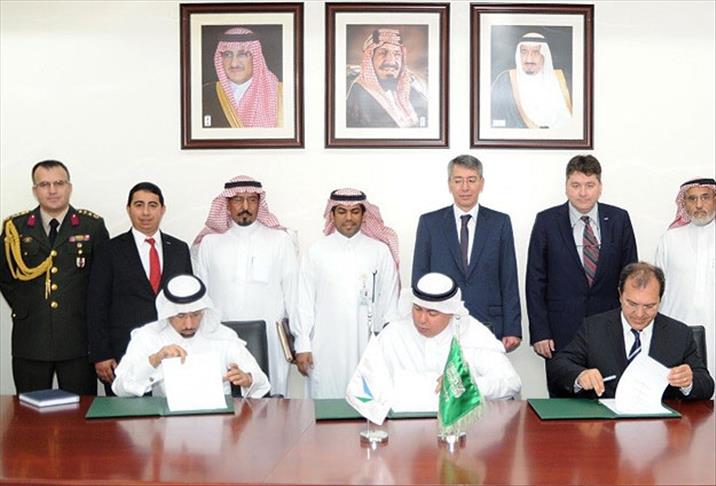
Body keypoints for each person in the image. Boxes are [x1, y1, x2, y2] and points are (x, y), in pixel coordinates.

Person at [0, 160, 109, 394]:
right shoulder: (15, 227)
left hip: (78, 339)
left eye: (59, 183)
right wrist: (27, 307)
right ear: (35, 190)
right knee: (30, 411)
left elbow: (103, 281)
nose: (52, 190)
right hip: (31, 337)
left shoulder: (92, 226)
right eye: (44, 184)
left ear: (69, 187)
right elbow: (6, 277)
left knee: (81, 411)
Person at [526, 155, 638, 376]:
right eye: (576, 185)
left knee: (609, 392)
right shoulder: (547, 221)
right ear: (566, 186)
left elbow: (631, 278)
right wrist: (540, 332)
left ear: (600, 187)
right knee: (565, 394)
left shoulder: (619, 219)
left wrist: (632, 325)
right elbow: (535, 281)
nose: (583, 193)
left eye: (590, 185)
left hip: (610, 329)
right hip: (561, 332)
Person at [547, 262, 714, 400]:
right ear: (620, 295)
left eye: (649, 306)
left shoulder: (679, 333)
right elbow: (559, 366)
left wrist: (688, 382)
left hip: (661, 424)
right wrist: (580, 375)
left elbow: (706, 384)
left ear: (660, 300)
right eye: (632, 304)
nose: (639, 314)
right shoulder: (594, 328)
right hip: (605, 423)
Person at [193, 175, 297, 396]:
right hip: (221, 335)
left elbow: (293, 293)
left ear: (260, 204)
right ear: (227, 204)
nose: (245, 206)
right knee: (225, 401)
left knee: (272, 400)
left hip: (271, 337)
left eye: (252, 200)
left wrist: (301, 340)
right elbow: (202, 297)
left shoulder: (280, 240)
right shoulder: (210, 243)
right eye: (238, 200)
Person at [353, 272, 521, 409]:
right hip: (404, 432)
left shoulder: (474, 335)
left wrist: (468, 383)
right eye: (417, 309)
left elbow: (511, 382)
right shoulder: (393, 334)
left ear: (451, 312)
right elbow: (364, 385)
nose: (422, 319)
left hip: (464, 430)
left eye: (432, 313)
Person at [87, 182, 192, 395]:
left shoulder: (179, 249)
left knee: (172, 412)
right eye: (139, 205)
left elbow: (189, 303)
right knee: (126, 414)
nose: (145, 212)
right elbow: (96, 305)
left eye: (152, 205)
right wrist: (101, 354)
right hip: (123, 352)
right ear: (128, 209)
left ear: (162, 210)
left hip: (173, 350)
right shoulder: (109, 250)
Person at [295, 188, 399, 398]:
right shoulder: (316, 251)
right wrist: (302, 344)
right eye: (342, 211)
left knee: (366, 403)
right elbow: (304, 302)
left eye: (355, 212)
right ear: (332, 215)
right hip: (325, 347)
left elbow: (389, 303)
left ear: (364, 215)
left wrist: (387, 347)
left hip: (367, 346)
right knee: (326, 403)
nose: (349, 218)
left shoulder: (380, 251)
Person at [412, 154, 522, 352]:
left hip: (488, 323)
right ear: (449, 184)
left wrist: (512, 328)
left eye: (471, 180)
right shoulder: (430, 223)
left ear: (481, 183)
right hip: (442, 323)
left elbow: (509, 278)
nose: (465, 187)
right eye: (458, 181)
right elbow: (420, 277)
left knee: (485, 373)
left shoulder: (500, 223)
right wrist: (422, 320)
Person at [112, 274, 270, 398]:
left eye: (195, 314)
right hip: (166, 423)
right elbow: (119, 388)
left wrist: (248, 379)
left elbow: (262, 383)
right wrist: (154, 360)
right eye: (180, 316)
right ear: (168, 313)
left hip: (219, 421)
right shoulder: (148, 337)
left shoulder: (222, 336)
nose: (189, 324)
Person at [655, 177, 715, 381]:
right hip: (678, 328)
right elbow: (657, 290)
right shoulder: (669, 239)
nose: (698, 205)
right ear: (684, 203)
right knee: (681, 387)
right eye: (692, 199)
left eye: (705, 197)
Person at [346, 28, 428, 128]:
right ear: (370, 59)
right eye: (382, 52)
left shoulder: (413, 90)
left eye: (397, 54)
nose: (391, 60)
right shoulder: (358, 96)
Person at [202, 27, 282, 128]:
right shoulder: (206, 94)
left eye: (242, 54)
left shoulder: (280, 93)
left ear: (255, 57)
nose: (234, 63)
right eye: (227, 54)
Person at [491, 32, 572, 129]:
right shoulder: (505, 80)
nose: (529, 59)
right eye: (524, 52)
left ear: (544, 55)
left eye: (536, 52)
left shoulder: (563, 81)